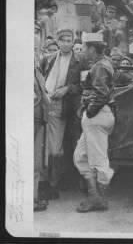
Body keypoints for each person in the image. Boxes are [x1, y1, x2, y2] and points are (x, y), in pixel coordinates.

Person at [73, 31, 115, 213]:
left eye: (84, 48)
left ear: (91, 48)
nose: (82, 52)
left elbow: (102, 93)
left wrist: (89, 112)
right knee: (80, 157)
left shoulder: (99, 66)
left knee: (98, 160)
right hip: (98, 116)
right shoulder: (102, 64)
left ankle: (100, 199)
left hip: (97, 116)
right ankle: (94, 195)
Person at [41, 28, 83, 199]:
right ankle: (52, 184)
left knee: (73, 145)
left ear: (73, 41)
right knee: (53, 146)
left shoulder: (80, 60)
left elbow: (83, 85)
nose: (66, 43)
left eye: (69, 39)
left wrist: (67, 89)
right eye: (63, 39)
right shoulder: (49, 60)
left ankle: (71, 180)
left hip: (72, 108)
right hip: (52, 106)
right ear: (58, 41)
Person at [34, 26, 50, 211]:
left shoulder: (37, 67)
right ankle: (31, 199)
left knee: (36, 162)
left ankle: (34, 197)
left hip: (39, 117)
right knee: (33, 161)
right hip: (33, 117)